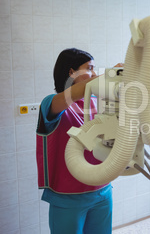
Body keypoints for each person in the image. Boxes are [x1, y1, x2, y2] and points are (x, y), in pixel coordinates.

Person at [36, 48, 115, 234]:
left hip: (103, 191)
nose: (94, 73)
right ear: (71, 72)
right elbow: (77, 92)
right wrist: (111, 76)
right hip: (67, 197)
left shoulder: (98, 101)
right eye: (89, 68)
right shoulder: (52, 103)